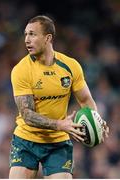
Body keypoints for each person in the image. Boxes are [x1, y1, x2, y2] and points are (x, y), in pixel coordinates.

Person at [9, 15, 109, 179]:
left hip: (58, 142)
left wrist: (97, 121)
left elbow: (85, 101)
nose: (27, 39)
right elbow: (27, 114)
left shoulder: (70, 66)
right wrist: (59, 124)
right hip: (26, 140)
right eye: (26, 34)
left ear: (48, 38)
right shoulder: (21, 70)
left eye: (32, 34)